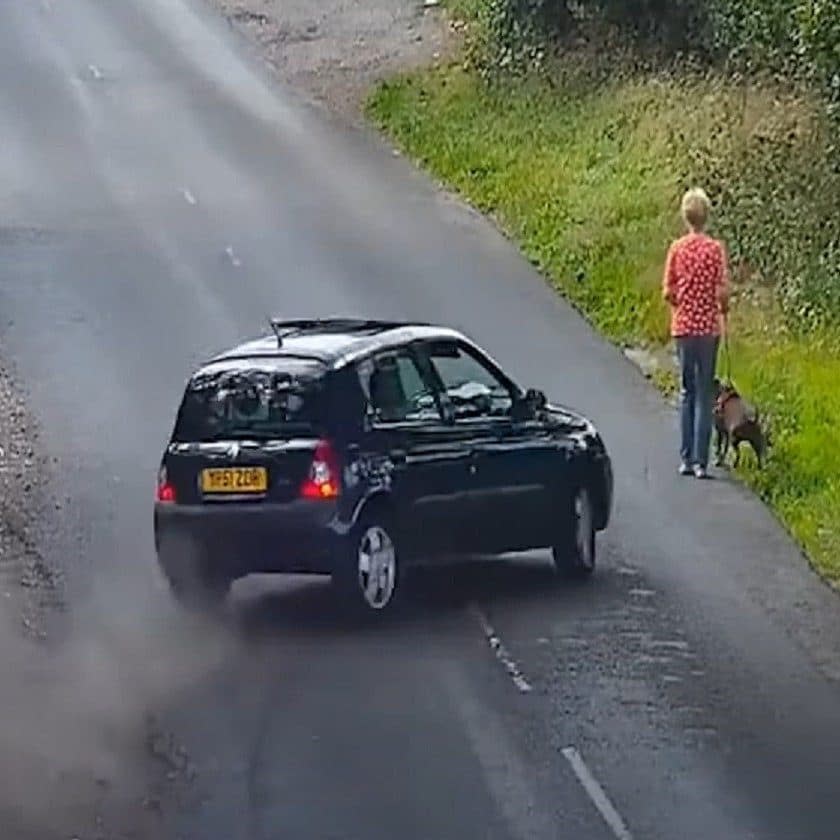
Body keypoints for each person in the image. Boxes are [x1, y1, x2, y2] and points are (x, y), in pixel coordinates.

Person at [663, 187, 730, 479]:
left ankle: (685, 459)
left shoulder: (677, 249)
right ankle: (703, 461)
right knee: (704, 393)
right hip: (707, 329)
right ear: (707, 216)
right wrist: (721, 308)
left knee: (686, 391)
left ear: (685, 216)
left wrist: (682, 303)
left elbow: (668, 292)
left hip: (683, 328)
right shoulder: (715, 250)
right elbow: (723, 291)